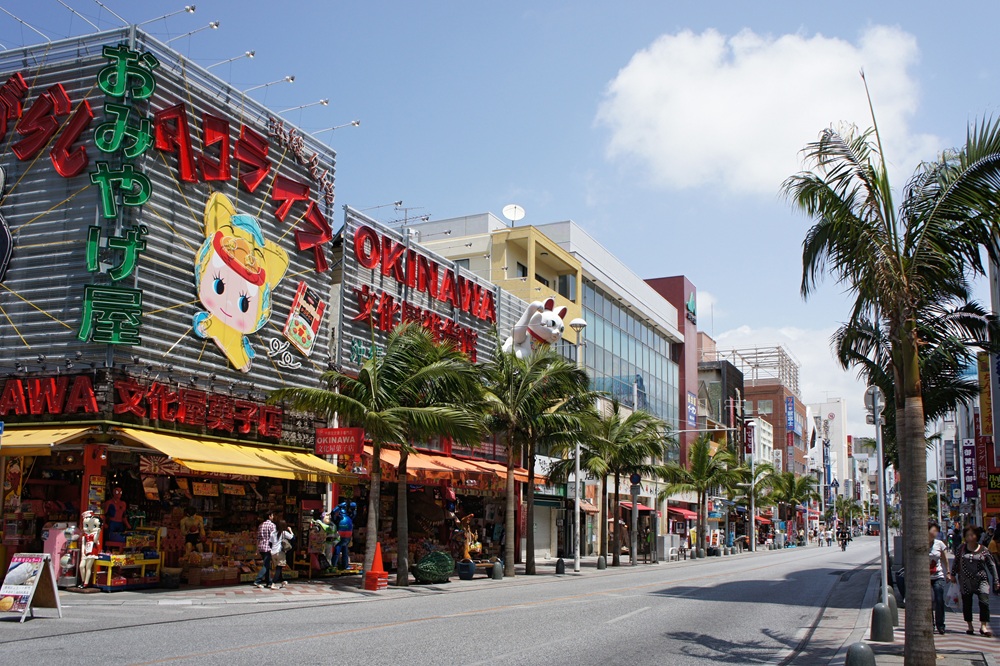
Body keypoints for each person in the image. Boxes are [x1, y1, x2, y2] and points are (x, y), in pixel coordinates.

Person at [950, 525, 999, 637]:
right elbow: (956, 562)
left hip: (981, 579)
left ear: (977, 536)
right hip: (965, 580)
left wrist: (996, 580)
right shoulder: (961, 549)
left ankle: (983, 626)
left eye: (972, 535)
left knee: (984, 601)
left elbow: (991, 565)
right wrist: (952, 574)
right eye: (967, 535)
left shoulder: (984, 550)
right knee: (967, 603)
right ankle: (970, 625)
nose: (970, 537)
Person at [928, 522, 950, 635]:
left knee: (939, 599)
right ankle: (929, 624)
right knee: (927, 602)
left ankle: (940, 624)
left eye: (937, 531)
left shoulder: (939, 544)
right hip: (924, 577)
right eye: (933, 530)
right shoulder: (920, 543)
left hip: (938, 576)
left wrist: (948, 572)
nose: (935, 533)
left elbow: (945, 559)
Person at [254, 510, 276, 589]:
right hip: (268, 547)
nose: (273, 517)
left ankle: (268, 581)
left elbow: (258, 538)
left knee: (267, 564)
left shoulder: (261, 525)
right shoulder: (272, 525)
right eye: (272, 515)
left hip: (261, 546)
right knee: (266, 565)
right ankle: (258, 580)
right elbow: (274, 537)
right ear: (269, 516)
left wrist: (257, 549)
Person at [271, 520, 294, 589]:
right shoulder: (284, 533)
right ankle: (273, 583)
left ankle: (282, 581)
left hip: (273, 552)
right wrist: (291, 531)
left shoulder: (273, 533)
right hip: (280, 552)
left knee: (279, 568)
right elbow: (293, 538)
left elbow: (270, 542)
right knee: (279, 568)